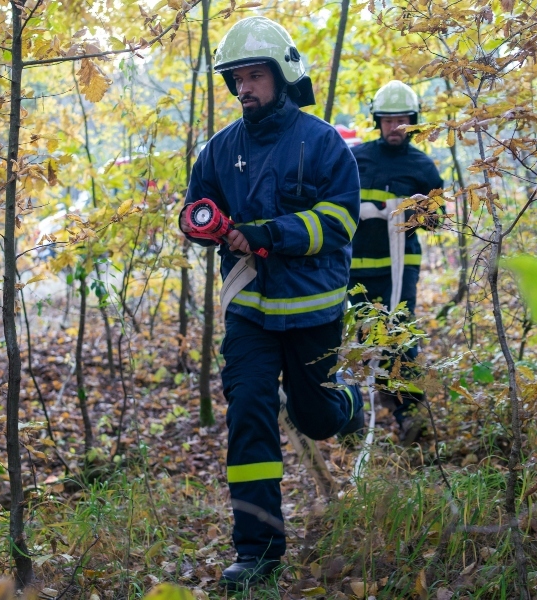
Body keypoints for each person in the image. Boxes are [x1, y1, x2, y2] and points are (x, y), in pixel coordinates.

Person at [178, 17, 363, 591]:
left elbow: (339, 221)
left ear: (283, 77)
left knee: (314, 417)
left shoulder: (323, 142)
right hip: (250, 313)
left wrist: (267, 234)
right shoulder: (218, 150)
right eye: (237, 79)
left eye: (255, 76)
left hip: (314, 310)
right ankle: (257, 551)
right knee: (250, 417)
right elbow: (195, 210)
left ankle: (346, 404)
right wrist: (202, 227)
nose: (244, 89)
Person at [348, 80, 444, 444]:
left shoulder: (422, 166)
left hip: (400, 268)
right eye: (388, 120)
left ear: (413, 121)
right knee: (358, 338)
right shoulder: (355, 158)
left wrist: (420, 211)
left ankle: (410, 414)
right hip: (356, 269)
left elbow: (438, 218)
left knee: (400, 335)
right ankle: (352, 417)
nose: (395, 127)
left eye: (402, 120)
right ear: (378, 121)